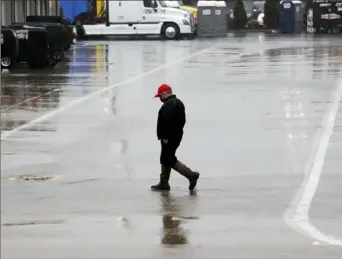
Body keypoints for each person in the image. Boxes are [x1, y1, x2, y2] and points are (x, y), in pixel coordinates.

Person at [151, 84, 200, 191]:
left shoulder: (169, 105)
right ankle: (164, 183)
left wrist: (165, 137)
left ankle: (191, 175)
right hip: (176, 136)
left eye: (160, 96)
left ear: (164, 94)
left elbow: (167, 122)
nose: (160, 98)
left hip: (169, 138)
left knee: (169, 159)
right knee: (165, 158)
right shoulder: (178, 102)